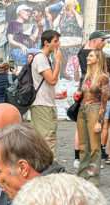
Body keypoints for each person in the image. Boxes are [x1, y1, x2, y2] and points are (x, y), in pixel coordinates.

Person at [76, 49, 110, 186]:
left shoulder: (103, 77)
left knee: (95, 146)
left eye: (91, 56)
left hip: (95, 109)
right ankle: (82, 173)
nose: (88, 58)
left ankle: (93, 176)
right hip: (82, 109)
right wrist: (78, 94)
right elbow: (84, 93)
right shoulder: (87, 76)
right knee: (83, 144)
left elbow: (104, 101)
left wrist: (99, 121)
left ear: (98, 58)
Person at [30, 29, 62, 157]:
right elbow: (52, 80)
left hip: (46, 103)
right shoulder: (41, 58)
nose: (58, 44)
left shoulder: (45, 58)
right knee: (47, 139)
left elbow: (48, 83)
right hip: (42, 105)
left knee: (47, 137)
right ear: (46, 43)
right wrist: (58, 61)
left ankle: (45, 168)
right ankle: (47, 170)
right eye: (55, 41)